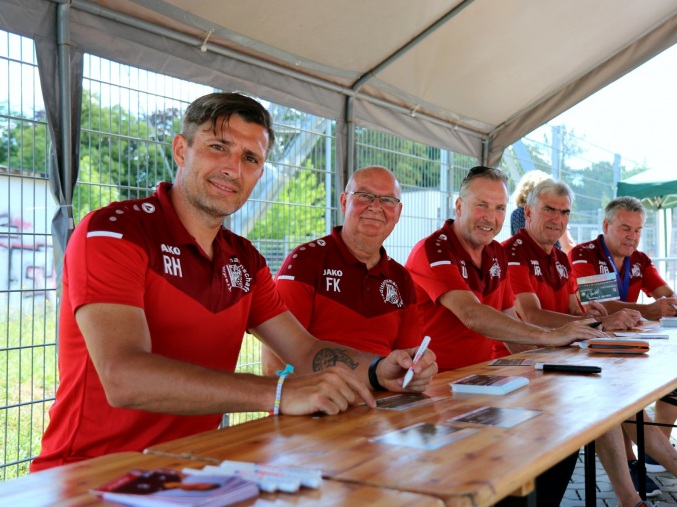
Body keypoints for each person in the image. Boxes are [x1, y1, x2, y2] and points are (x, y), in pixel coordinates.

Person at [31, 93, 435, 472]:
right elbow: (123, 376)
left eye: (251, 158)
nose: (233, 169)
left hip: (195, 473)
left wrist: (379, 369)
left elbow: (305, 349)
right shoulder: (114, 233)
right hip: (92, 475)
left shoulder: (244, 259)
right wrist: (275, 393)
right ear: (180, 150)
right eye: (218, 147)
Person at [506, 179, 677, 507]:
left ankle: (644, 476)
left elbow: (576, 311)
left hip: (568, 354)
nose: (631, 237)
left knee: (666, 381)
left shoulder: (570, 257)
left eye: (564, 211)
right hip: (525, 364)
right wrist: (607, 317)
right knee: (613, 395)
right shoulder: (576, 254)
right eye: (624, 228)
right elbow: (536, 316)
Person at [405, 166, 607, 507]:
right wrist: (554, 336)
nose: (491, 217)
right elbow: (472, 315)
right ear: (459, 206)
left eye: (499, 208)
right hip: (436, 392)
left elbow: (513, 328)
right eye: (482, 205)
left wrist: (558, 364)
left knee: (566, 428)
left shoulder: (495, 253)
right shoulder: (433, 248)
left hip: (484, 385)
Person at [569, 196, 677, 490]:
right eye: (625, 228)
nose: (632, 237)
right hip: (591, 345)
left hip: (627, 343)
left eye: (638, 230)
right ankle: (631, 464)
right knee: (621, 393)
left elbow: (664, 292)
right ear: (606, 225)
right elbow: (595, 304)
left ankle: (656, 452)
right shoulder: (583, 253)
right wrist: (649, 311)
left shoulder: (639, 259)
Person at [261, 166, 423, 375]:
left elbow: (407, 360)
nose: (375, 206)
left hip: (381, 403)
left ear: (398, 212)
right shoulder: (306, 261)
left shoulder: (401, 278)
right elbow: (274, 363)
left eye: (388, 200)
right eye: (365, 196)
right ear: (344, 202)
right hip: (317, 403)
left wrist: (417, 372)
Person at [510, 170, 575, 252]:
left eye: (565, 213)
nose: (557, 220)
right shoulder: (558, 214)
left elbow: (513, 239)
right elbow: (568, 244)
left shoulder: (515, 214)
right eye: (548, 210)